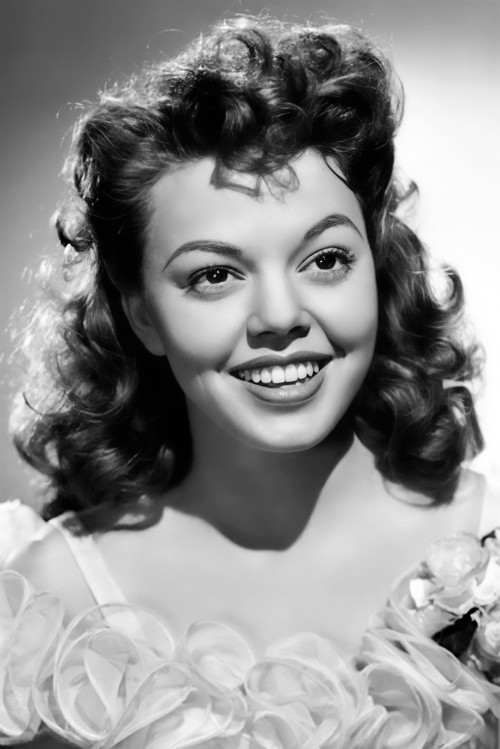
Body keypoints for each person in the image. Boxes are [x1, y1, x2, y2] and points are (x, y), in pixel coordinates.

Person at [1, 14, 499, 749]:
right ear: (142, 316)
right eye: (214, 275)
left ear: (375, 264)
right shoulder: (49, 606)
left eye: (325, 260)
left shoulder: (489, 545)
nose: (280, 317)